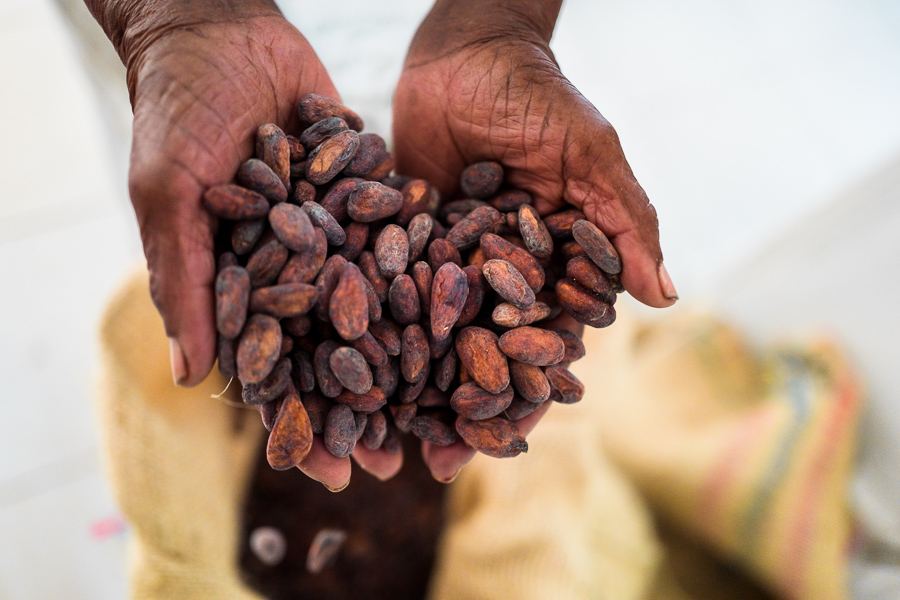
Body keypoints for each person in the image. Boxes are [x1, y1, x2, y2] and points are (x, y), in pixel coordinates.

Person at [84, 0, 677, 489]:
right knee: (182, 202)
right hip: (211, 72)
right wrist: (163, 19)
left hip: (420, 49)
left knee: (202, 233)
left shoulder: (434, 298)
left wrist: (500, 18)